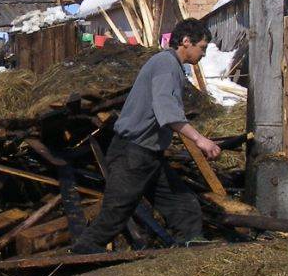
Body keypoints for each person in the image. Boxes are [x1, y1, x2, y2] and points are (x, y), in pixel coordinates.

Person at [73, 18, 221, 253]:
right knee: (116, 212)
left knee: (182, 203)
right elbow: (166, 109)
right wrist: (199, 139)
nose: (203, 54)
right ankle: (82, 253)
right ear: (185, 41)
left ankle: (192, 244)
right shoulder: (166, 64)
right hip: (132, 152)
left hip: (147, 153)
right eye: (201, 47)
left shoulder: (171, 65)